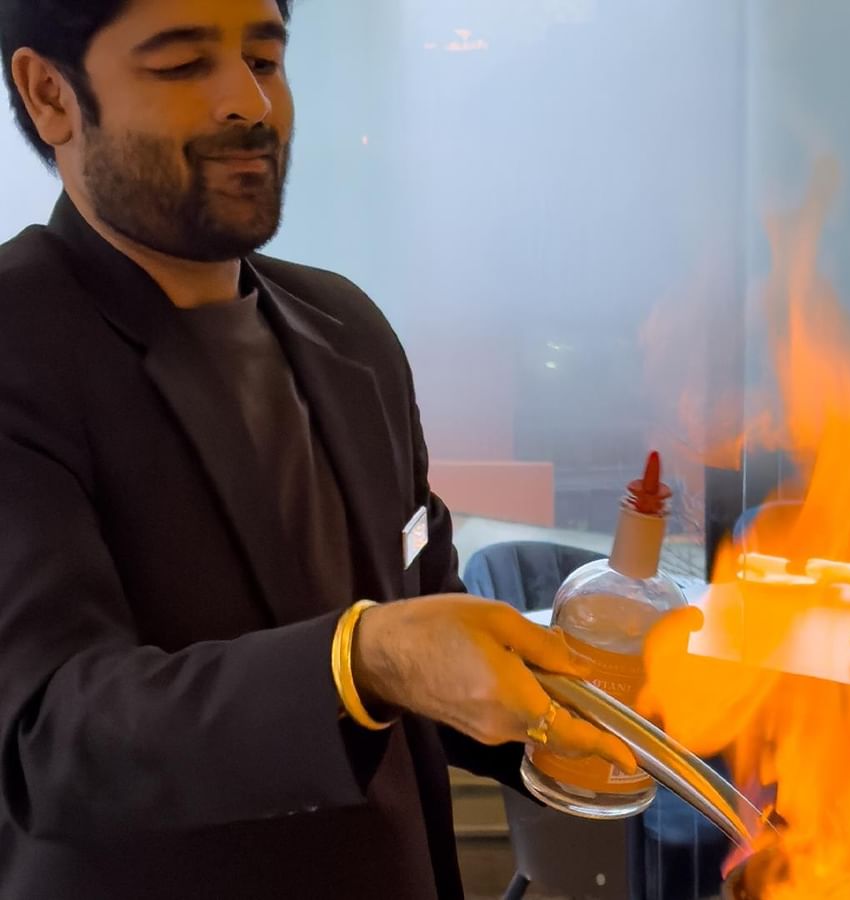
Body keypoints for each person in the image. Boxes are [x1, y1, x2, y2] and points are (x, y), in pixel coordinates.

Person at [0, 0, 636, 897]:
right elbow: (49, 734)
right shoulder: (21, 344)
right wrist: (364, 657)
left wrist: (579, 707)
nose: (249, 102)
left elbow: (425, 628)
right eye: (183, 65)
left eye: (265, 55)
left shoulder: (348, 330)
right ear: (50, 94)